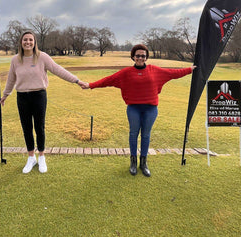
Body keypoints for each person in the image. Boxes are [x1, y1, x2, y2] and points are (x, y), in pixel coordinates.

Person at [81, 44, 195, 177]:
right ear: (133, 57)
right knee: (133, 134)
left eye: (143, 56)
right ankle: (133, 162)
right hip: (133, 108)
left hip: (150, 109)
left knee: (146, 135)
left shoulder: (155, 70)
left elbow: (173, 73)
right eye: (138, 55)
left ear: (146, 57)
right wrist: (90, 85)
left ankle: (144, 163)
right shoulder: (126, 73)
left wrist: (190, 70)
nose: (140, 58)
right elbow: (108, 80)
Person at [0, 30, 87, 174]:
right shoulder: (15, 60)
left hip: (39, 96)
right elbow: (11, 79)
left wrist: (76, 80)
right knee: (26, 127)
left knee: (39, 127)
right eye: (25, 40)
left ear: (34, 42)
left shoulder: (42, 57)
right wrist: (5, 94)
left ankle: (41, 157)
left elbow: (58, 70)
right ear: (21, 42)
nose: (28, 42)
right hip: (22, 97)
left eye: (30, 40)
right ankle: (31, 157)